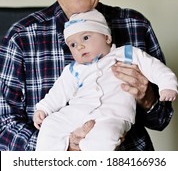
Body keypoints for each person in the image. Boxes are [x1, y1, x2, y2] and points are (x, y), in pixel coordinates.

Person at [0, 0, 174, 151]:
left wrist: (148, 98)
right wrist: (65, 146)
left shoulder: (135, 25)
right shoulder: (21, 37)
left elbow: (162, 119)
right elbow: (3, 126)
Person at [33, 9, 177, 151]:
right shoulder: (74, 69)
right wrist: (44, 108)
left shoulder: (126, 54)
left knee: (106, 136)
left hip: (113, 115)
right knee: (51, 124)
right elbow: (59, 92)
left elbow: (153, 67)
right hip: (78, 111)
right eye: (73, 45)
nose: (80, 46)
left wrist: (167, 84)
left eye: (86, 38)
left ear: (107, 37)